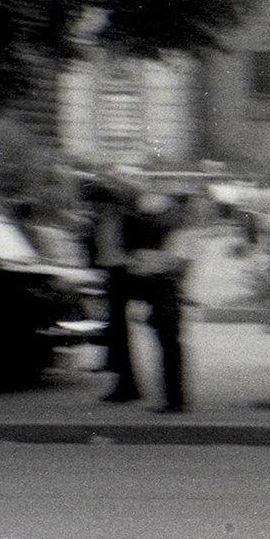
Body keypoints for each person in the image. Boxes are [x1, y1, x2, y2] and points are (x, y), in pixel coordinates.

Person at [120, 190, 194, 413]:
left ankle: (174, 400)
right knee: (168, 347)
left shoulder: (182, 235)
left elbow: (176, 266)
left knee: (169, 347)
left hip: (167, 292)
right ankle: (173, 398)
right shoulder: (174, 235)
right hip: (164, 291)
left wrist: (150, 264)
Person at [80, 175, 144, 403]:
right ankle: (125, 383)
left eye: (94, 204)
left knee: (119, 333)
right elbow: (95, 250)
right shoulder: (100, 221)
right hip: (111, 275)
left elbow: (130, 248)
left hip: (122, 275)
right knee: (116, 333)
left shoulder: (123, 219)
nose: (92, 208)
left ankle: (126, 385)